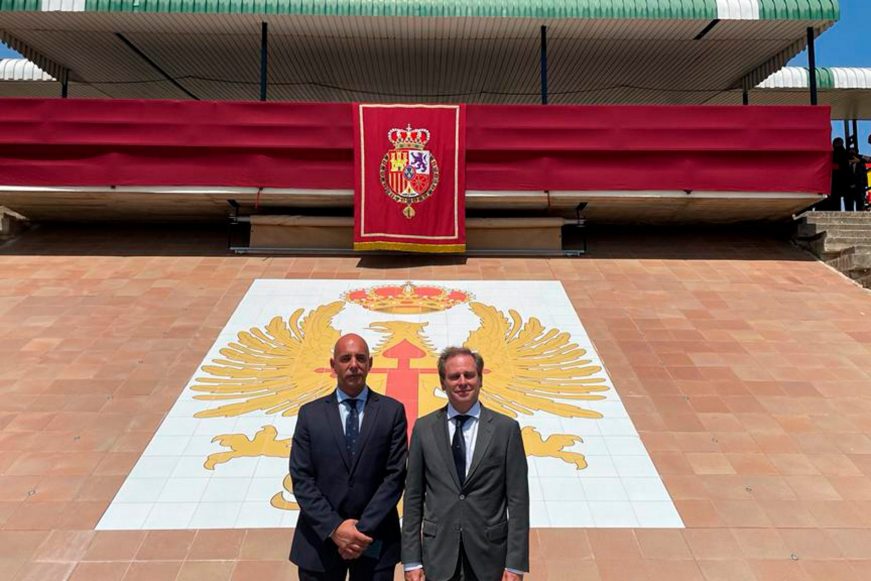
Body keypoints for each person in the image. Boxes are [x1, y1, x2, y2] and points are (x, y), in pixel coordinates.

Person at [402, 347, 529, 581]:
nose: (462, 382)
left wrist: (515, 564)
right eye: (454, 376)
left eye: (469, 375)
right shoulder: (424, 428)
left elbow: (518, 501)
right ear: (443, 382)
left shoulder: (506, 430)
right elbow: (413, 497)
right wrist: (411, 560)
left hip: (489, 558)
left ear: (480, 379)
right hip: (437, 557)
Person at [289, 333, 408, 581]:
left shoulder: (391, 412)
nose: (354, 364)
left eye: (360, 358)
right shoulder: (310, 415)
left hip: (372, 539)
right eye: (346, 358)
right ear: (333, 365)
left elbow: (394, 477)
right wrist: (335, 528)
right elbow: (302, 478)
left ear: (370, 363)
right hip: (320, 540)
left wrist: (359, 532)